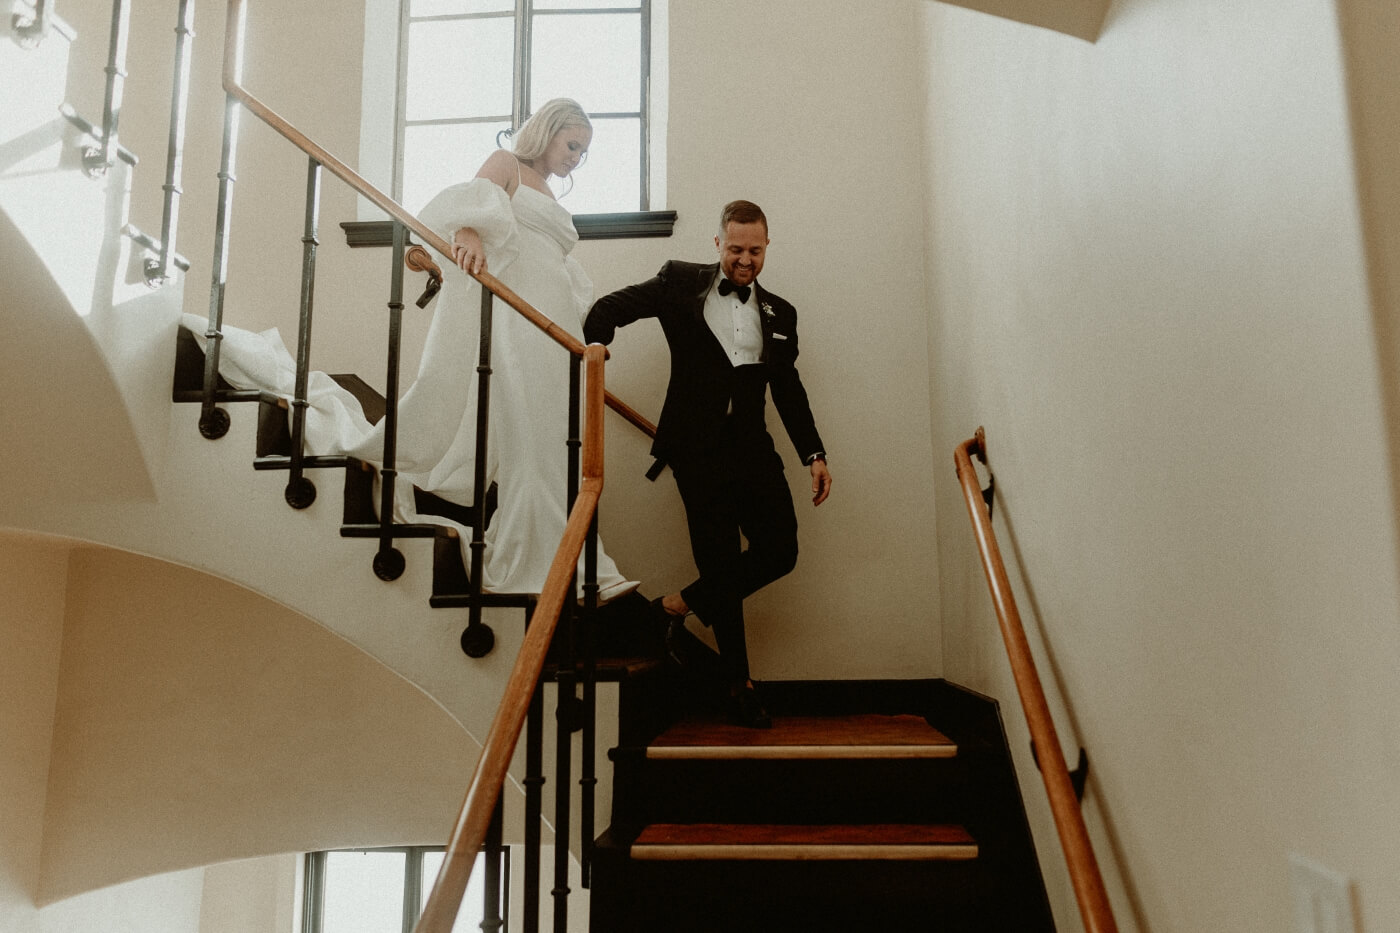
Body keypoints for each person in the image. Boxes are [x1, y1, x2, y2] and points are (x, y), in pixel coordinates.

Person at [187, 99, 639, 604]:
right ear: (548, 132)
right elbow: (470, 213)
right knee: (531, 436)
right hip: (517, 318)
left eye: (584, 151)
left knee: (557, 437)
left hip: (554, 322)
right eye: (572, 144)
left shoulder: (551, 192)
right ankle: (546, 564)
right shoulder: (506, 164)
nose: (577, 157)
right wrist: (465, 238)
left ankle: (575, 557)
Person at [584, 200, 832, 727]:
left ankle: (673, 606)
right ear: (717, 243)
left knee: (780, 549)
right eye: (737, 249)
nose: (746, 260)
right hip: (696, 452)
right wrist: (597, 349)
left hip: (753, 451)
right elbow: (609, 308)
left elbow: (787, 389)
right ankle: (738, 685)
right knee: (720, 566)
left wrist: (813, 453)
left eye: (756, 250)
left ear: (768, 246)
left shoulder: (780, 313)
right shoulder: (678, 281)